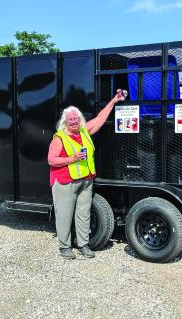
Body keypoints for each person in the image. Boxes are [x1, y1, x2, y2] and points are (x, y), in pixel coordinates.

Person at [48, 90, 126, 259]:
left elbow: (99, 119)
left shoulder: (84, 131)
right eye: (71, 120)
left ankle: (83, 245)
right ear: (65, 122)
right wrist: (72, 158)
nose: (74, 121)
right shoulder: (59, 138)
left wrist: (113, 101)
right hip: (65, 182)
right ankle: (64, 247)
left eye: (76, 119)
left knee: (84, 214)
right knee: (64, 215)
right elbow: (51, 160)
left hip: (85, 181)